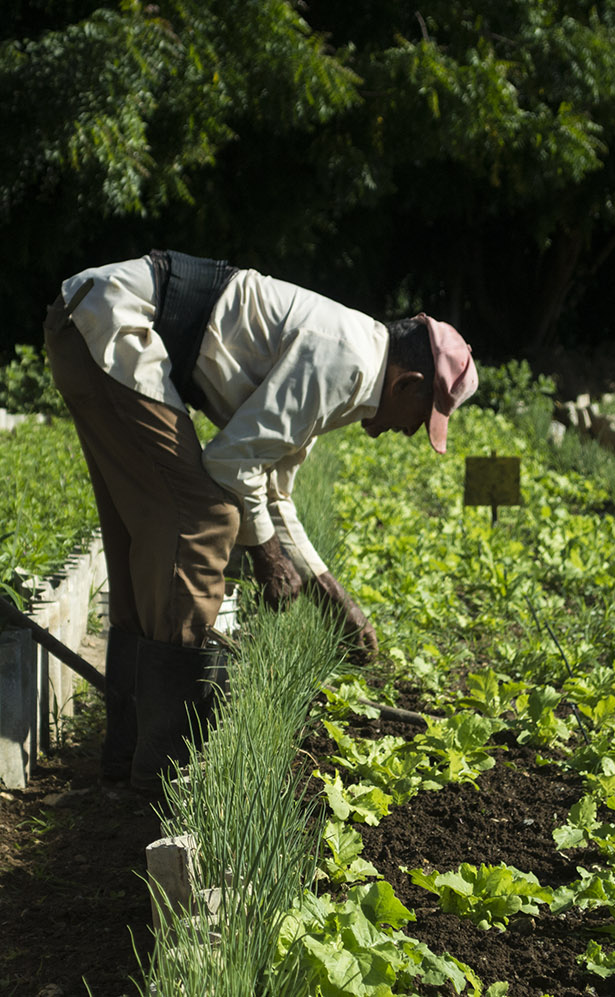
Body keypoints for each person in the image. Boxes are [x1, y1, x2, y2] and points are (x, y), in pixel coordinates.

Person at [41, 250, 478, 794]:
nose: (413, 431)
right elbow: (230, 463)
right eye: (425, 417)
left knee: (150, 532)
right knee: (203, 520)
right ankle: (164, 773)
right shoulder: (345, 363)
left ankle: (129, 751)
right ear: (407, 384)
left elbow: (274, 495)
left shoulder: (351, 361)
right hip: (115, 328)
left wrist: (330, 595)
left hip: (87, 322)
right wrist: (266, 557)